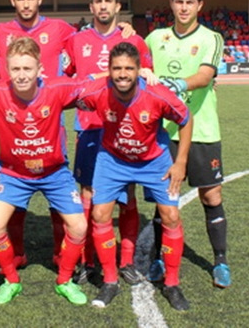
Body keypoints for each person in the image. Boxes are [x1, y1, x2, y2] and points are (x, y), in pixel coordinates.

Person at [77, 42, 193, 311]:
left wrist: (181, 162)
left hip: (154, 161)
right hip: (112, 160)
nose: (122, 74)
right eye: (117, 68)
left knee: (171, 216)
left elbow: (185, 119)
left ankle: (172, 284)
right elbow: (72, 97)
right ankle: (109, 281)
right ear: (109, 70)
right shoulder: (96, 92)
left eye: (129, 68)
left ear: (139, 70)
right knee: (100, 214)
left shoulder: (157, 94)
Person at [0, 37, 88, 306]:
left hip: (54, 173)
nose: (22, 75)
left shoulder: (57, 88)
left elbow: (99, 84)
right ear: (6, 70)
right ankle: (11, 280)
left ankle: (65, 280)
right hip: (14, 174)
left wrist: (143, 74)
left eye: (27, 68)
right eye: (15, 69)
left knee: (79, 226)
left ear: (39, 69)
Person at [64, 0, 153, 286]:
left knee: (127, 197)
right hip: (89, 127)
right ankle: (88, 260)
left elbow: (147, 78)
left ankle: (126, 262)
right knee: (89, 196)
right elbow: (67, 80)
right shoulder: (76, 41)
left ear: (118, 6)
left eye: (108, 1)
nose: (103, 6)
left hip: (125, 129)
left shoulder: (134, 40)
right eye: (98, 1)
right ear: (91, 7)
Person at [145, 0, 232, 289]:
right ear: (171, 4)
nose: (184, 8)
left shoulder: (212, 38)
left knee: (211, 195)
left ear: (199, 5)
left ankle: (220, 261)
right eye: (179, 2)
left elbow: (205, 76)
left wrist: (178, 84)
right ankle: (158, 258)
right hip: (164, 132)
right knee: (164, 198)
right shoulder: (155, 38)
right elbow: (137, 62)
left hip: (202, 130)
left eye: (190, 2)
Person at [0, 0, 78, 270]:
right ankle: (17, 253)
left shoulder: (61, 29)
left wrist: (125, 29)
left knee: (58, 198)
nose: (26, 4)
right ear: (13, 1)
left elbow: (85, 52)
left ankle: (59, 254)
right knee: (15, 195)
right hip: (13, 121)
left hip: (49, 125)